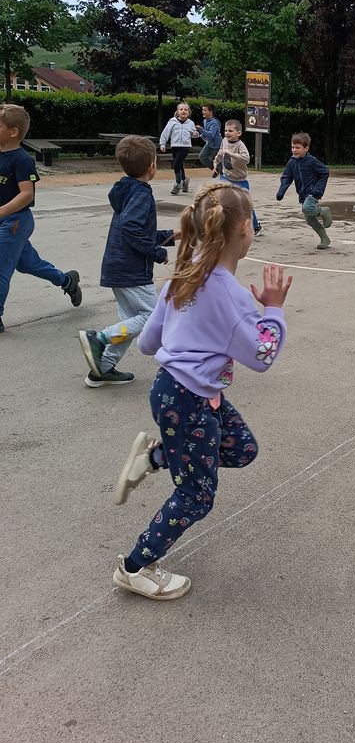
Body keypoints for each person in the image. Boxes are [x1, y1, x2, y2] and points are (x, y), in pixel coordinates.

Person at [111, 182, 291, 600]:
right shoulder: (228, 295)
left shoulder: (185, 274)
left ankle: (156, 457)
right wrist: (274, 308)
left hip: (175, 392)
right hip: (188, 400)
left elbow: (147, 343)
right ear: (244, 229)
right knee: (197, 495)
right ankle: (135, 567)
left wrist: (190, 338)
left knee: (242, 449)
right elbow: (262, 355)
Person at [78, 136, 176, 387]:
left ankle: (102, 368)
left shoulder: (126, 190)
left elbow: (136, 230)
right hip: (132, 271)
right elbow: (130, 227)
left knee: (130, 323)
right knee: (152, 317)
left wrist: (170, 236)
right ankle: (100, 338)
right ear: (152, 166)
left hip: (117, 266)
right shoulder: (142, 193)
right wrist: (157, 253)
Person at [0, 103, 82, 335]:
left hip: (16, 221)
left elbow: (27, 194)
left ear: (13, 132)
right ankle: (67, 281)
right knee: (28, 264)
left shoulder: (22, 159)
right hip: (5, 219)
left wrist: (2, 211)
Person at [275, 131, 333, 249]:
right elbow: (287, 177)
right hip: (302, 194)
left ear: (306, 148)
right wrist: (281, 191)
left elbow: (325, 171)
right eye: (293, 147)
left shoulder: (311, 161)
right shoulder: (291, 162)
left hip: (312, 193)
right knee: (310, 220)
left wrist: (318, 189)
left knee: (307, 208)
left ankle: (323, 211)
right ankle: (324, 239)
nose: (294, 150)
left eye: (298, 148)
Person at [212, 119, 263, 236]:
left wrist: (231, 153)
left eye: (230, 131)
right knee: (220, 199)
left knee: (246, 205)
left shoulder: (240, 145)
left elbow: (246, 159)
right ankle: (222, 225)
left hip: (240, 180)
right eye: (225, 130)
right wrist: (215, 164)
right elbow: (220, 153)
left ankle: (256, 226)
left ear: (238, 133)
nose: (227, 133)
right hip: (226, 177)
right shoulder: (224, 141)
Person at [159, 101, 196, 195]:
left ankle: (178, 184)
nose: (183, 111)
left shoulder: (191, 123)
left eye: (186, 110)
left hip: (185, 147)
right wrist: (162, 144)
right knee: (180, 165)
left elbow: (193, 134)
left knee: (176, 165)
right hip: (175, 146)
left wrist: (196, 134)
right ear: (177, 112)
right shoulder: (172, 122)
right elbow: (165, 133)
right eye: (181, 109)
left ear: (188, 112)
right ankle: (185, 181)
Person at [196, 103, 222, 170]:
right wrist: (200, 135)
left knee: (217, 161)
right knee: (202, 156)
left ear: (211, 112)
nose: (203, 111)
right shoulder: (205, 121)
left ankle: (222, 172)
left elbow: (211, 135)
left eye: (205, 110)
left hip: (216, 145)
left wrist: (201, 130)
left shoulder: (214, 122)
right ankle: (216, 170)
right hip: (209, 143)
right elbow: (206, 133)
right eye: (202, 110)